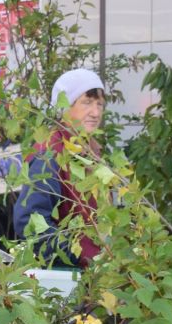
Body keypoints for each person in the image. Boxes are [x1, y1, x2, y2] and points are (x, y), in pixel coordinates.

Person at [12, 67, 109, 267]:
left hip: (97, 273)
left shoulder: (89, 151)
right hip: (69, 280)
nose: (96, 112)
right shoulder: (51, 153)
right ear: (64, 106)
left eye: (100, 104)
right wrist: (76, 256)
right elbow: (30, 221)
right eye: (87, 102)